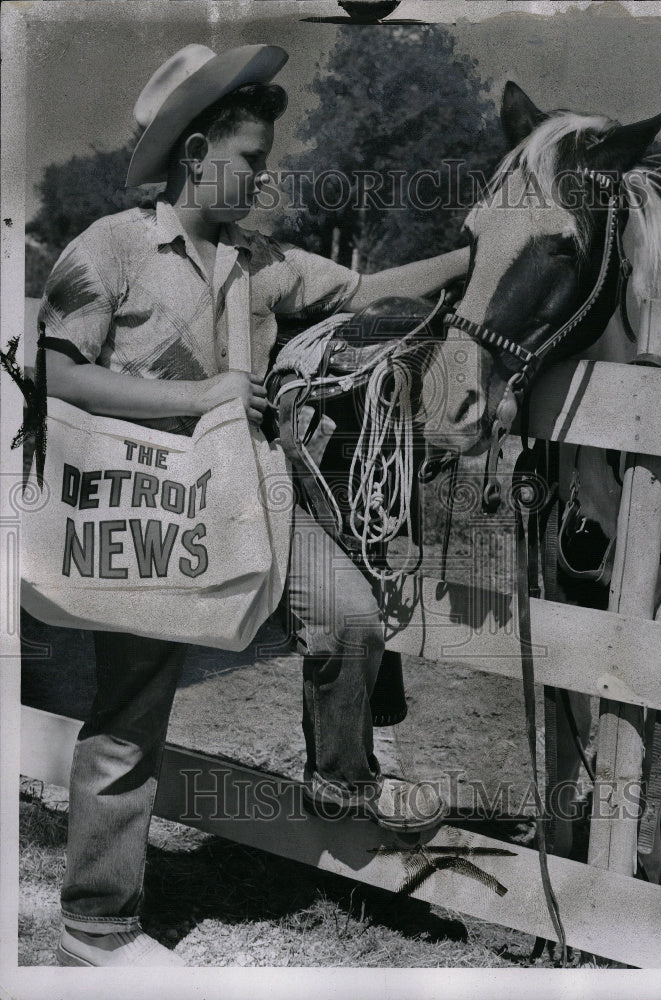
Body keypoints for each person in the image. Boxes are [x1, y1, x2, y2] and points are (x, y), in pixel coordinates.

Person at [41, 43, 470, 967]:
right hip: (147, 508)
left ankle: (343, 786)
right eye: (251, 163)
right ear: (195, 155)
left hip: (257, 497)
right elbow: (55, 371)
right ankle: (97, 924)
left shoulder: (260, 263)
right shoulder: (111, 248)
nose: (262, 180)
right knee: (132, 707)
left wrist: (479, 257)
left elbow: (363, 291)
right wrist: (199, 398)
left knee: (352, 617)